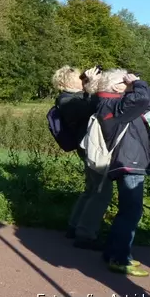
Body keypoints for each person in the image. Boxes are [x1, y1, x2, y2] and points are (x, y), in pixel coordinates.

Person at [94, 69, 150, 277]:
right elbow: (143, 99)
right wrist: (138, 83)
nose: (128, 80)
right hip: (129, 162)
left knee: (127, 211)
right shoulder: (112, 104)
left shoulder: (111, 102)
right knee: (131, 212)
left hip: (129, 160)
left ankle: (113, 252)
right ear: (114, 87)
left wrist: (132, 87)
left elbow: (145, 103)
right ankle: (119, 259)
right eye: (124, 79)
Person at [52, 65, 108, 251]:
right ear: (68, 81)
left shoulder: (71, 98)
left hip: (86, 147)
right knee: (101, 191)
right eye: (80, 77)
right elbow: (94, 109)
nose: (83, 78)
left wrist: (90, 87)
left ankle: (74, 226)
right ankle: (85, 235)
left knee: (91, 188)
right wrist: (92, 87)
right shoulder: (68, 100)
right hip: (90, 148)